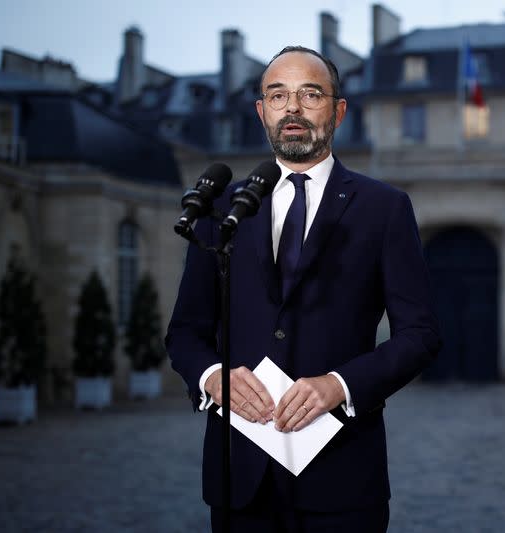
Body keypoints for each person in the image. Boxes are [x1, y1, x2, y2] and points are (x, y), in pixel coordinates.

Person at [166, 45, 441, 533]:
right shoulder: (218, 209)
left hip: (342, 475)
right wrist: (212, 377)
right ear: (261, 111)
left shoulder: (384, 208)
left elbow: (419, 334)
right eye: (277, 95)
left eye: (309, 94)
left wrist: (341, 385)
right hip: (239, 478)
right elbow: (185, 331)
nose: (291, 108)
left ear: (338, 111)